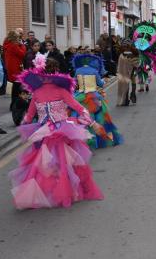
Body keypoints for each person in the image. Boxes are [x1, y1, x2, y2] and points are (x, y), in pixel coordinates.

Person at [10, 56, 104, 209]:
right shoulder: (61, 91)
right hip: (62, 130)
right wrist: (93, 123)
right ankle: (66, 191)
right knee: (65, 163)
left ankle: (48, 192)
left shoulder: (36, 93)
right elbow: (80, 109)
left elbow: (29, 115)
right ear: (56, 72)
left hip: (43, 131)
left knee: (44, 165)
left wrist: (24, 126)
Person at [73, 54, 123, 148]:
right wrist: (104, 81)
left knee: (84, 119)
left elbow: (75, 83)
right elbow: (100, 83)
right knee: (100, 118)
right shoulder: (94, 71)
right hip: (94, 96)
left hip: (81, 97)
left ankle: (87, 141)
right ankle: (99, 140)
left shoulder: (77, 71)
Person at [132, 22, 156, 93]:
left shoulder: (137, 43)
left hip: (139, 61)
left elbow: (135, 50)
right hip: (147, 61)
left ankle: (141, 87)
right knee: (146, 73)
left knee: (139, 73)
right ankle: (147, 84)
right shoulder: (148, 44)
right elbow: (152, 51)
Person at [4, 30, 27, 110]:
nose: (19, 39)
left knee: (16, 87)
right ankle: (14, 105)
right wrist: (22, 45)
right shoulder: (13, 45)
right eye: (18, 37)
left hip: (12, 67)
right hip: (16, 68)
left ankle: (14, 105)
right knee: (16, 88)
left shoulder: (7, 44)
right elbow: (22, 54)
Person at [116, 41, 139, 106]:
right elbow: (136, 63)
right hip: (131, 71)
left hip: (124, 72)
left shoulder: (121, 54)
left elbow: (119, 64)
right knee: (132, 83)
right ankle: (132, 95)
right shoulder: (133, 52)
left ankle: (126, 99)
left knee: (125, 85)